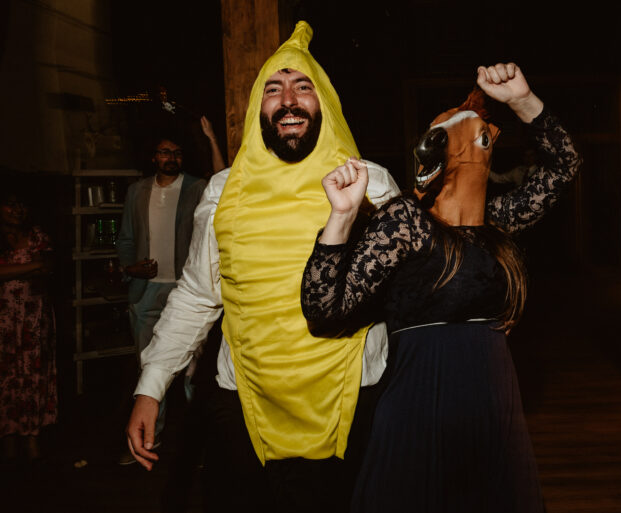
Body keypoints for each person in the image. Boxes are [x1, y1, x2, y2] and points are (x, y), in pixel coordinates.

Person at [125, 21, 399, 512]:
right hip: (246, 400)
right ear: (258, 108)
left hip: (352, 397)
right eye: (273, 89)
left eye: (303, 87)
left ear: (325, 104)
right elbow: (198, 295)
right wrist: (151, 387)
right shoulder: (223, 190)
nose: (288, 100)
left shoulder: (371, 184)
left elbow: (408, 291)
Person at [301, 62, 581, 512]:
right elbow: (323, 310)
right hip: (419, 402)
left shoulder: (498, 225)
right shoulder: (407, 222)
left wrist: (522, 100)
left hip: (491, 403)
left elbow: (564, 166)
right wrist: (341, 216)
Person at [116, 134, 206, 463]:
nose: (172, 157)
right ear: (154, 157)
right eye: (165, 152)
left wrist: (211, 138)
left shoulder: (198, 188)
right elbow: (126, 238)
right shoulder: (137, 191)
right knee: (149, 368)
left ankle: (200, 447)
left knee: (194, 372)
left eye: (177, 153)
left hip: (189, 289)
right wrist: (131, 268)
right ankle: (148, 441)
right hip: (146, 291)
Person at [0, 188, 56, 463]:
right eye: (10, 204)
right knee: (6, 377)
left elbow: (47, 268)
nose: (17, 210)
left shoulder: (37, 236)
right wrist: (31, 267)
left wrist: (12, 271)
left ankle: (32, 437)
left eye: (21, 204)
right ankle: (8, 439)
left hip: (33, 319)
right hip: (3, 321)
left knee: (34, 375)